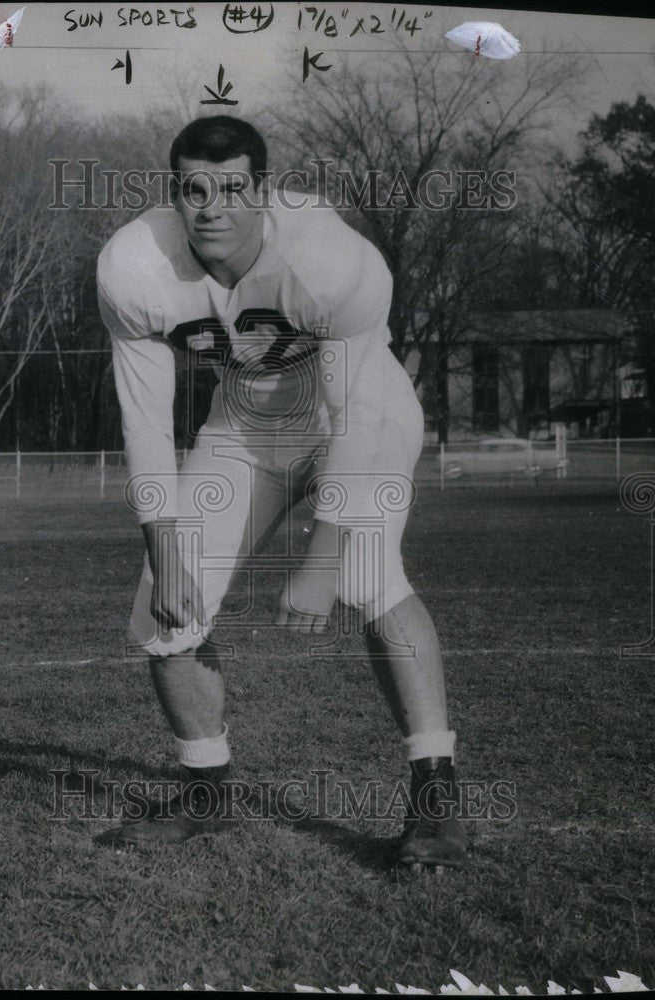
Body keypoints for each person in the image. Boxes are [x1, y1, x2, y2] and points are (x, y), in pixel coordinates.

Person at [96, 115, 465, 869]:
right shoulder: (134, 266)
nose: (212, 208)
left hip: (354, 418)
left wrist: (323, 559)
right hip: (243, 426)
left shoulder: (331, 259)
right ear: (176, 195)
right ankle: (207, 793)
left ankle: (437, 799)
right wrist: (164, 552)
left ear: (262, 192)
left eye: (232, 189)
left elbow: (357, 415)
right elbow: (145, 423)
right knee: (163, 610)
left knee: (367, 577)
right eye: (195, 190)